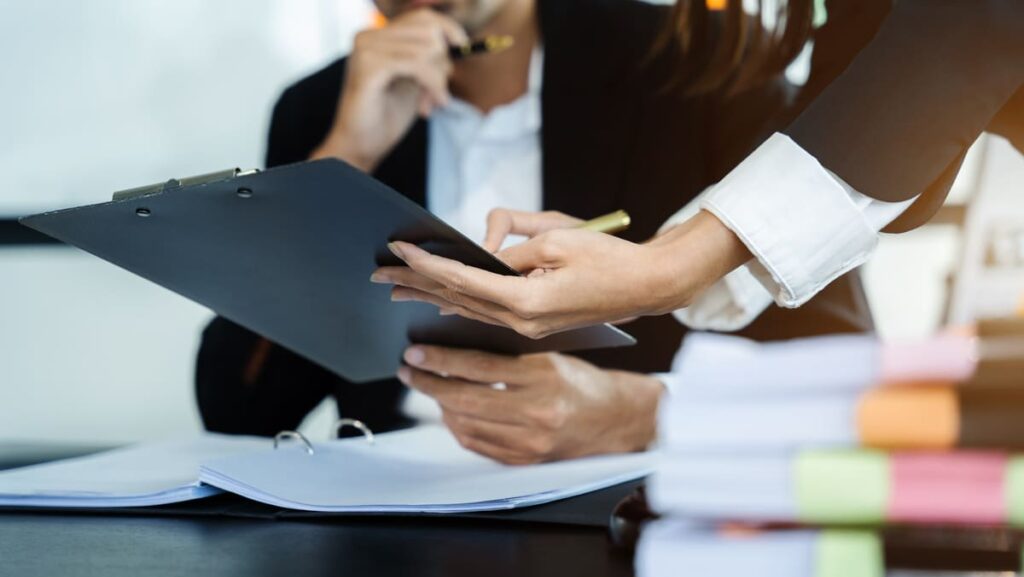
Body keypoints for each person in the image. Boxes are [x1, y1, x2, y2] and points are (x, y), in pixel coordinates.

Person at [195, 0, 873, 463]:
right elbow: (236, 407)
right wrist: (341, 162)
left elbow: (842, 366)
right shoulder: (322, 108)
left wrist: (645, 414)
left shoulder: (699, 64)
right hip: (389, 542)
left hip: (630, 522)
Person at [373, 0, 1024, 341]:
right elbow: (881, 145)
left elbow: (971, 29)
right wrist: (667, 257)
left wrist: (672, 267)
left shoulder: (683, 58)